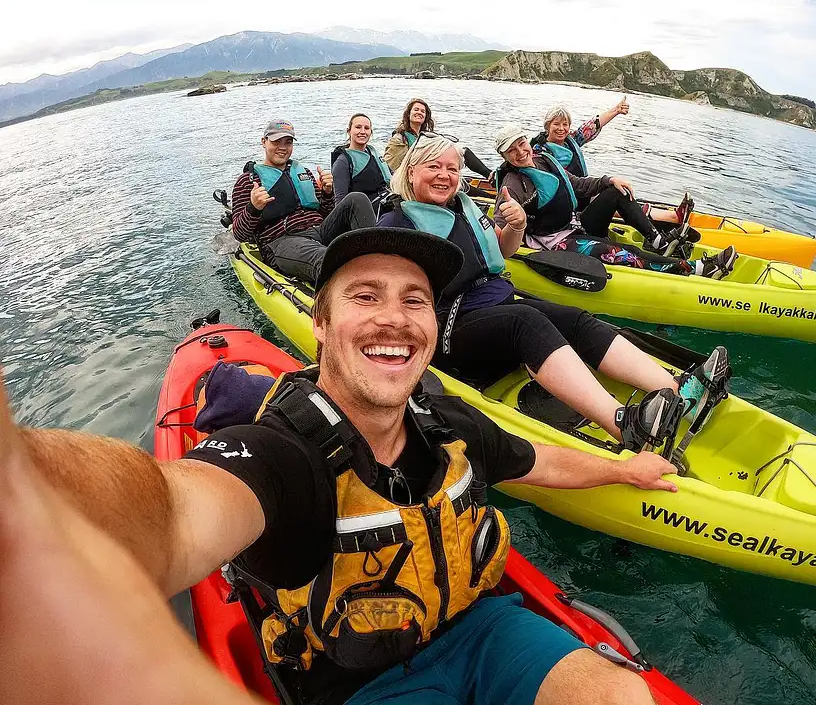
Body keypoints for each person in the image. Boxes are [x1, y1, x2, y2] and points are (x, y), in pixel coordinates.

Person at [2, 228, 682, 705]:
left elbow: (534, 462)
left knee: (617, 695)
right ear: (320, 324)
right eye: (365, 297)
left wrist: (625, 470)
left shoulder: (448, 423)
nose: (395, 318)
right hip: (361, 680)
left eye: (415, 300)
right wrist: (27, 493)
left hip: (485, 629)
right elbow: (173, 513)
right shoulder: (282, 455)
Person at [379, 134, 731, 448]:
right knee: (526, 321)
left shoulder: (464, 205)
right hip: (449, 332)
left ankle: (679, 391)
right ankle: (625, 425)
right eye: (434, 167)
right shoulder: (397, 225)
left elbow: (504, 252)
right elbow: (387, 300)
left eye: (452, 168)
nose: (445, 175)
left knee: (573, 318)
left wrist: (515, 226)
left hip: (495, 305)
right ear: (411, 171)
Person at [495, 125, 737, 278]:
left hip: (576, 225)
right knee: (627, 252)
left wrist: (609, 179)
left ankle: (659, 241)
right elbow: (499, 230)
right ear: (505, 157)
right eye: (511, 150)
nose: (520, 152)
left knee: (615, 191)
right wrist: (517, 228)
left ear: (527, 141)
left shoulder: (544, 160)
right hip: (556, 243)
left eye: (521, 144)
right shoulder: (512, 184)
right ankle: (696, 269)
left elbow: (578, 184)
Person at [231, 120, 376, 284]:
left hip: (320, 230)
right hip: (283, 241)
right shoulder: (248, 181)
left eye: (288, 142)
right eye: (276, 141)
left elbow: (325, 213)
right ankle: (360, 283)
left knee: (357, 198)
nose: (283, 147)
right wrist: (253, 208)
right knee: (328, 257)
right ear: (264, 142)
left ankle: (374, 257)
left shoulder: (303, 172)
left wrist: (327, 193)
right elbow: (240, 234)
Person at [383, 97, 492, 179]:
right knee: (463, 187)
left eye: (423, 111)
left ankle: (491, 176)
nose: (419, 113)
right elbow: (390, 168)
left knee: (463, 151)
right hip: (417, 177)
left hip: (435, 170)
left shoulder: (427, 136)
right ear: (408, 114)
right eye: (416, 110)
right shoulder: (399, 139)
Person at [530, 97, 630, 177]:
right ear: (548, 126)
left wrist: (616, 110)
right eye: (556, 124)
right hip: (562, 195)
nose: (561, 128)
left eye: (565, 124)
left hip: (580, 188)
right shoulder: (539, 150)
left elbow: (594, 124)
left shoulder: (572, 140)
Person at [330, 113, 393, 217]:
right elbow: (340, 201)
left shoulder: (373, 152)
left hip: (387, 201)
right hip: (366, 212)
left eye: (367, 128)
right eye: (358, 127)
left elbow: (392, 175)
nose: (363, 131)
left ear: (371, 132)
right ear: (349, 131)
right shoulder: (343, 162)